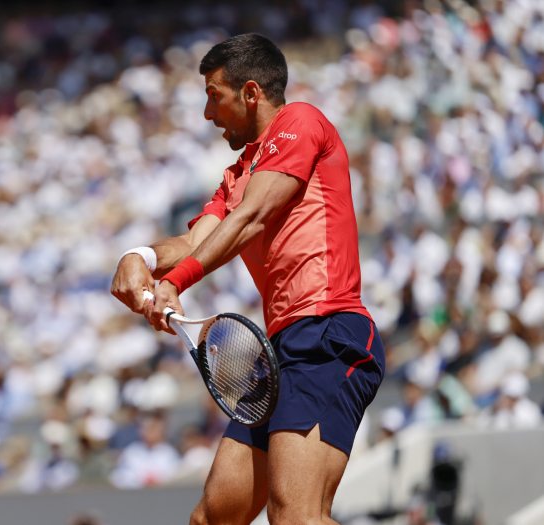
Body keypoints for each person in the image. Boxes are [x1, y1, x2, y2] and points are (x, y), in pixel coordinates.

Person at [111, 34, 385, 524]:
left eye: (214, 97)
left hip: (327, 332)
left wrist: (174, 284)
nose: (207, 114)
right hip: (279, 351)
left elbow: (252, 218)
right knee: (213, 518)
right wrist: (141, 258)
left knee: (296, 516)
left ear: (252, 93)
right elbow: (196, 241)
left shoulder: (300, 121)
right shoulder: (236, 175)